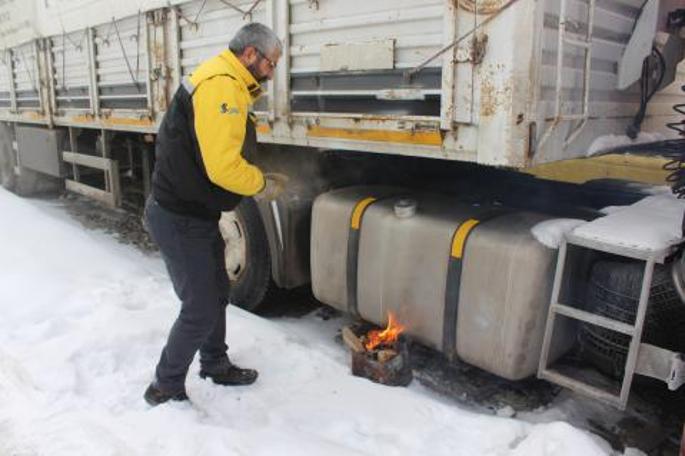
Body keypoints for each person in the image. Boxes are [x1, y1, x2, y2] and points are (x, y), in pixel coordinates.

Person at [142, 23, 282, 406]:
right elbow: (222, 166)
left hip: (194, 211)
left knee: (217, 291)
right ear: (250, 54)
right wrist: (260, 183)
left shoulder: (230, 81)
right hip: (177, 215)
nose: (272, 73)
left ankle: (215, 363)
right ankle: (164, 386)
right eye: (271, 63)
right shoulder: (222, 84)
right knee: (200, 305)